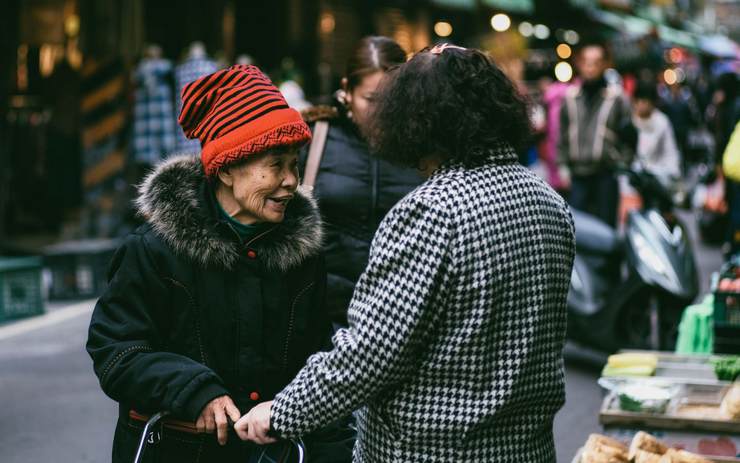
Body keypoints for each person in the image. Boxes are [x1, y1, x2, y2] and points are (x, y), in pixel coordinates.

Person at [235, 44, 576, 462]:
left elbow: (372, 352)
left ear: (417, 121)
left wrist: (283, 412)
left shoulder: (433, 210)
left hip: (429, 452)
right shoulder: (548, 202)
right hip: (527, 451)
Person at [87, 65, 343, 462]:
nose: (291, 180)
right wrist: (193, 389)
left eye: (294, 164)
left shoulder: (302, 254)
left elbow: (320, 357)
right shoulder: (154, 250)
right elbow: (117, 352)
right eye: (275, 165)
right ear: (225, 168)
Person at [299, 36, 422, 328]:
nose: (382, 111)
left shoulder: (422, 145)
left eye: (392, 100)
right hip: (323, 311)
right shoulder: (314, 137)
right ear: (347, 91)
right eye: (370, 100)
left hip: (403, 314)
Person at [557, 42, 633, 227]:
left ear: (605, 64)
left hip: (605, 175)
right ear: (579, 64)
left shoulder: (617, 98)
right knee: (577, 230)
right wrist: (563, 167)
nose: (590, 67)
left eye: (596, 62)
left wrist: (620, 163)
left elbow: (629, 136)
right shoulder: (570, 97)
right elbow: (562, 135)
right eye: (586, 61)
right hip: (578, 176)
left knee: (606, 231)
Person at [632, 82, 681, 179]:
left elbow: (670, 149)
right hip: (634, 173)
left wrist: (674, 172)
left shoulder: (661, 122)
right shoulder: (629, 121)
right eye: (638, 101)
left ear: (652, 103)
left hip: (658, 173)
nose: (641, 105)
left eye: (644, 101)